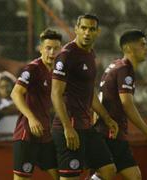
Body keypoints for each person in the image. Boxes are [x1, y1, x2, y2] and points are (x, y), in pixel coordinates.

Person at [51, 14, 119, 180]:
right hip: (69, 126)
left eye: (91, 29)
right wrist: (67, 128)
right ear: (76, 29)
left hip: (86, 126)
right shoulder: (66, 55)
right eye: (83, 28)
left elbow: (90, 92)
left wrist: (106, 117)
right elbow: (55, 94)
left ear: (98, 32)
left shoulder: (90, 55)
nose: (87, 32)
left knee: (108, 170)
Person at [94, 29, 147, 179]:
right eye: (142, 44)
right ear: (129, 48)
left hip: (110, 131)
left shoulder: (117, 65)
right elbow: (127, 104)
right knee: (105, 174)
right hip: (109, 132)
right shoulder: (125, 69)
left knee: (134, 176)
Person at [11, 28, 62, 180]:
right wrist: (31, 118)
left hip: (45, 135)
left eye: (56, 48)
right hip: (27, 134)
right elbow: (15, 93)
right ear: (41, 48)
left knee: (63, 176)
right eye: (48, 48)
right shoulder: (33, 68)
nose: (52, 52)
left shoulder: (56, 73)